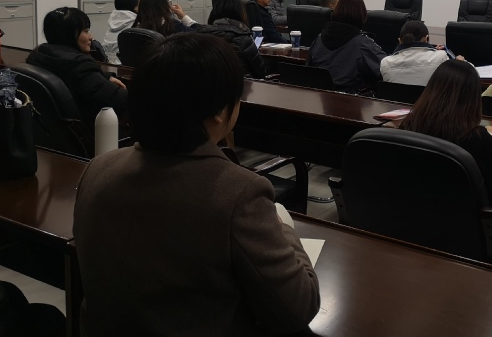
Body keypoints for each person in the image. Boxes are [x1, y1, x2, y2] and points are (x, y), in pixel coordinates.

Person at [72, 33, 320, 336]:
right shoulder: (239, 194)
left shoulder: (97, 169)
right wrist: (283, 227)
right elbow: (300, 306)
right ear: (218, 112)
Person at [401, 59, 492, 213]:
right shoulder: (478, 139)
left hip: (413, 217)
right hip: (465, 223)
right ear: (473, 98)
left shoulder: (407, 127)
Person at [27, 7, 127, 133]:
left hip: (49, 131)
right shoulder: (80, 66)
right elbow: (120, 100)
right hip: (93, 133)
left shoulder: (39, 55)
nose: (91, 37)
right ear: (69, 35)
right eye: (86, 31)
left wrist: (104, 77)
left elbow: (73, 76)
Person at [307, 0, 386, 93]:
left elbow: (309, 67)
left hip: (321, 98)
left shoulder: (319, 39)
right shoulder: (362, 43)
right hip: (351, 99)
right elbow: (386, 68)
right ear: (362, 15)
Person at [197, 0, 266, 78]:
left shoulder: (201, 35)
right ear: (240, 13)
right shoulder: (243, 38)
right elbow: (260, 72)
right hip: (239, 83)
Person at [380, 21, 458, 86]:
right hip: (428, 101)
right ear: (427, 38)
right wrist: (459, 61)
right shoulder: (441, 57)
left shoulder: (385, 63)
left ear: (400, 41)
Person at [103, 0, 141, 64]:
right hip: (125, 65)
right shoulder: (135, 23)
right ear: (135, 7)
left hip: (107, 63)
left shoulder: (113, 21)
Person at [133, 0, 198, 36]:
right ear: (164, 8)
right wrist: (184, 17)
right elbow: (200, 35)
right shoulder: (173, 26)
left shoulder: (135, 30)